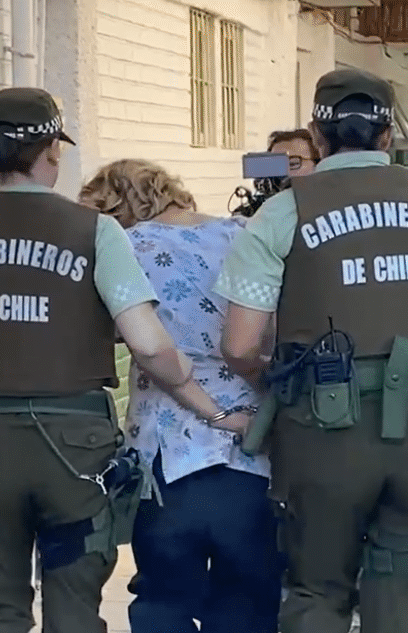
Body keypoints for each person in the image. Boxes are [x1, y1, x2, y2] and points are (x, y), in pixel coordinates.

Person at [0, 86, 252, 633]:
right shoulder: (94, 230)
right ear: (51, 150)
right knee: (75, 611)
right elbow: (150, 345)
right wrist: (200, 393)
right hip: (72, 449)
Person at [213, 68, 408, 633]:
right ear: (388, 136)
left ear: (316, 134)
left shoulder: (284, 210)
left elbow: (239, 344)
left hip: (325, 430)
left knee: (317, 590)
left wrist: (278, 379)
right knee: (404, 593)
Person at [80, 159, 284, 633]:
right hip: (253, 446)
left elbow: (126, 337)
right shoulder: (244, 232)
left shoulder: (124, 247)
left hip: (166, 453)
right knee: (249, 596)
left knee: (163, 597)